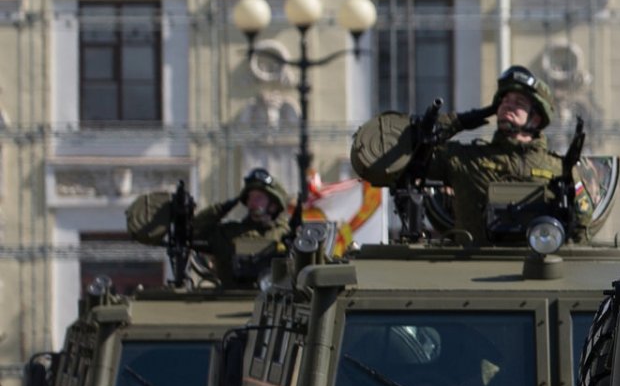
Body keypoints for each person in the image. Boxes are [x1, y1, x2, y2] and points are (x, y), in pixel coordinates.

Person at [350, 65, 596, 244]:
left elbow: (582, 230)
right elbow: (392, 158)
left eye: (519, 102)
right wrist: (460, 120)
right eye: (504, 101)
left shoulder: (561, 168)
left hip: (538, 268)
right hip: (473, 265)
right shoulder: (464, 160)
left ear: (537, 117)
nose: (507, 105)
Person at [187, 168, 291, 288]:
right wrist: (223, 208)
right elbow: (193, 230)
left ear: (273, 205)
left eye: (258, 198)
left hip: (276, 302)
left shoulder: (287, 234)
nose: (252, 203)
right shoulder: (229, 233)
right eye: (249, 198)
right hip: (232, 300)